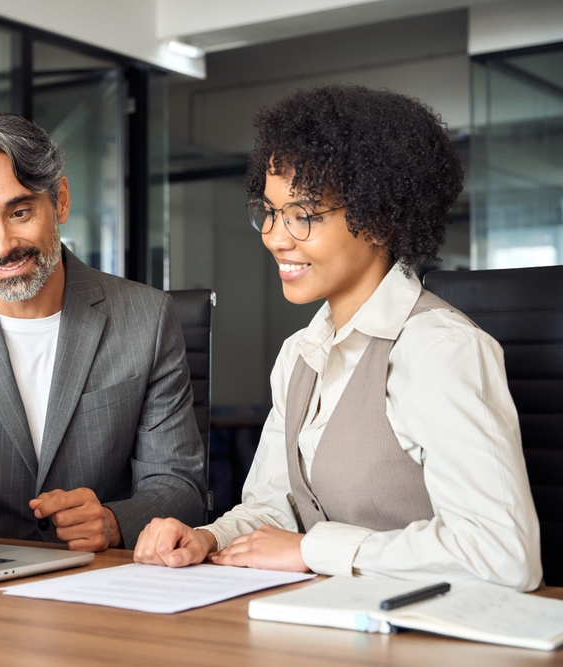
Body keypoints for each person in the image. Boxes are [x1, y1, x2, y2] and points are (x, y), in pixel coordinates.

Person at [134, 85, 542, 590]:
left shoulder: (439, 349)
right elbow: (273, 503)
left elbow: (504, 554)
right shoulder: (300, 355)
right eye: (270, 211)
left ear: (378, 218)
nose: (276, 237)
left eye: (302, 216)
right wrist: (209, 538)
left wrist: (312, 549)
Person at [0, 112, 206, 552]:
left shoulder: (146, 318)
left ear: (61, 200)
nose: (2, 244)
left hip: (97, 579)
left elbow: (182, 487)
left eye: (20, 211)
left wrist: (111, 522)